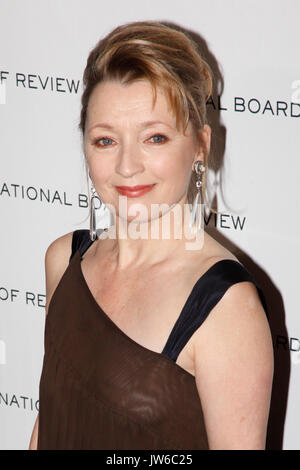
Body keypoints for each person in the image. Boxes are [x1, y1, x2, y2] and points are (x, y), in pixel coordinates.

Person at [29, 20, 273, 450]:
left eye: (154, 138)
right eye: (105, 141)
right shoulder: (63, 260)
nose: (127, 166)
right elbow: (49, 425)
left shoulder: (224, 307)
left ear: (200, 145)